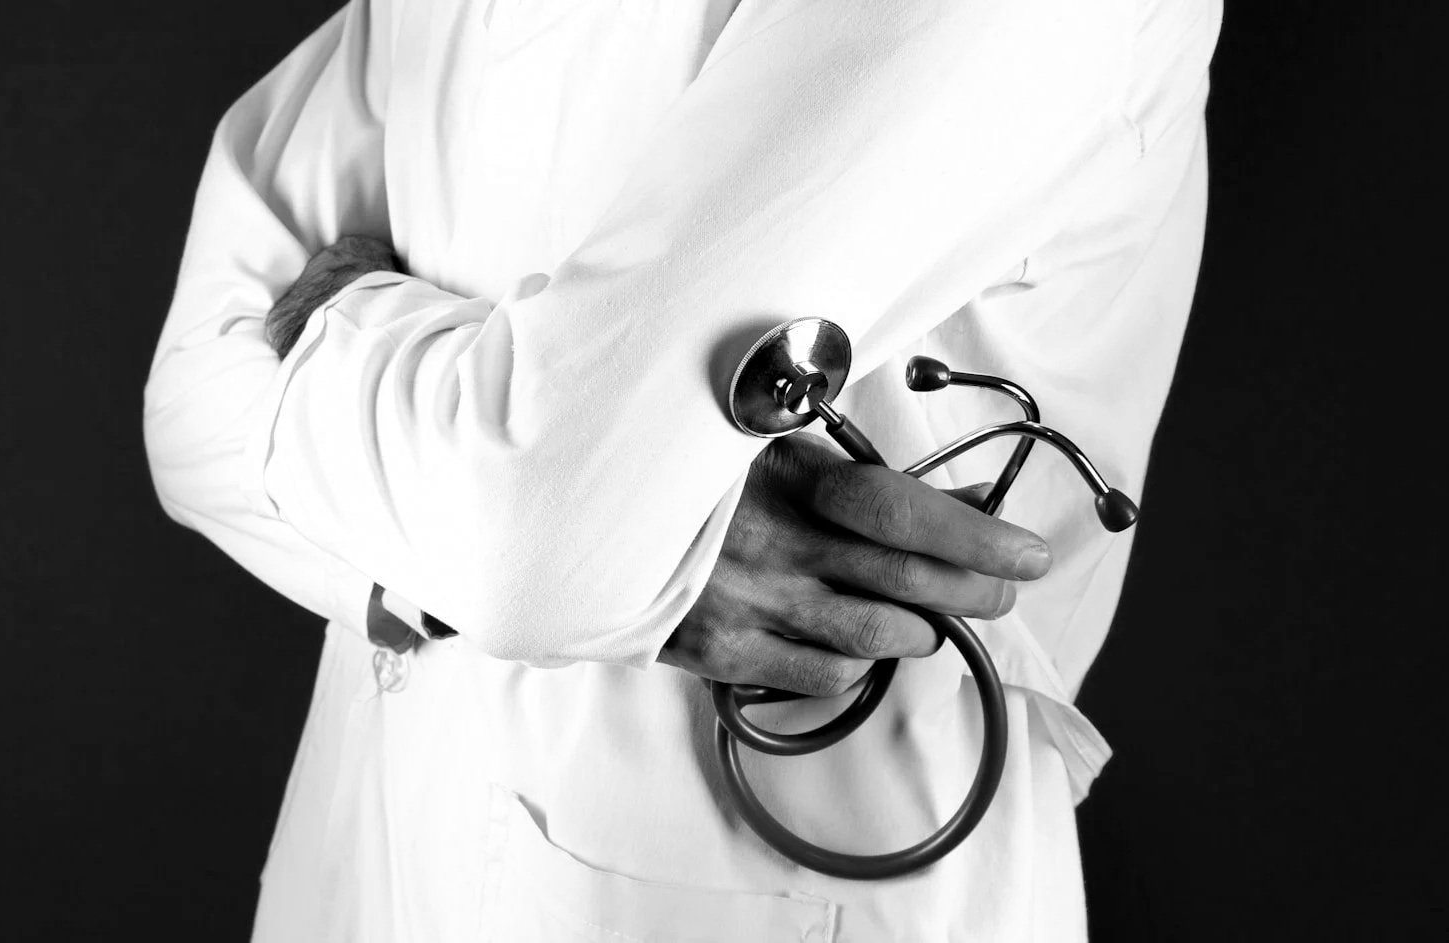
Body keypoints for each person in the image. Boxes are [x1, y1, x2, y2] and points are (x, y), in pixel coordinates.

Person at [143, 0, 1219, 939]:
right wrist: (557, 512)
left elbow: (536, 534)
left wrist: (330, 329)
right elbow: (188, 403)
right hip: (374, 861)